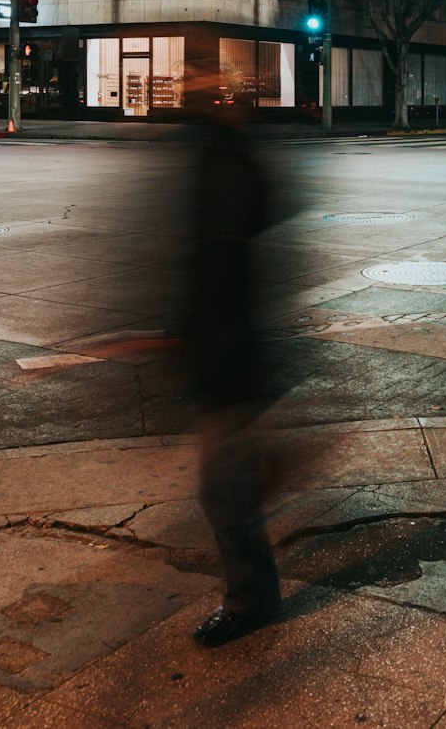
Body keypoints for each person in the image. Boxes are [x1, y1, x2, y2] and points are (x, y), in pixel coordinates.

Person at [184, 87, 287, 648]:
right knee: (224, 484)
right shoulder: (218, 159)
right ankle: (252, 592)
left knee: (222, 489)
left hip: (227, 352)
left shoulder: (223, 165)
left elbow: (216, 270)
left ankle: (251, 597)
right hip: (223, 350)